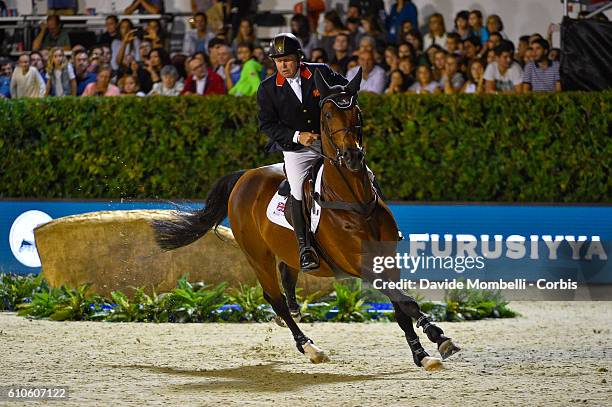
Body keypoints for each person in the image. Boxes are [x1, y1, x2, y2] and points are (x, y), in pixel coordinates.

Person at [256, 33, 348, 271]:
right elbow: (267, 125)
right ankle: (305, 247)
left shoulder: (321, 73)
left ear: (298, 58)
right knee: (297, 189)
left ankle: (383, 223)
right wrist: (298, 136)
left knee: (363, 172)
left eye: (287, 59)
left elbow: (346, 92)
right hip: (298, 150)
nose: (283, 65)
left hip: (331, 143)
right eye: (278, 61)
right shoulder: (267, 89)